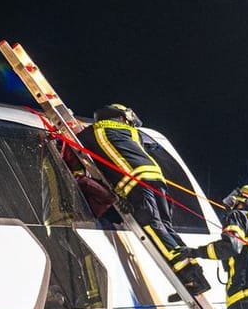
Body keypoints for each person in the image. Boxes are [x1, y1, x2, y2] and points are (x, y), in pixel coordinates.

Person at [75, 105, 211, 295]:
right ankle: (196, 274)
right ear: (121, 117)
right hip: (156, 179)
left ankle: (189, 277)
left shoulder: (94, 131)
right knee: (165, 227)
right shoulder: (132, 133)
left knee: (152, 227)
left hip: (134, 181)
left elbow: (75, 145)